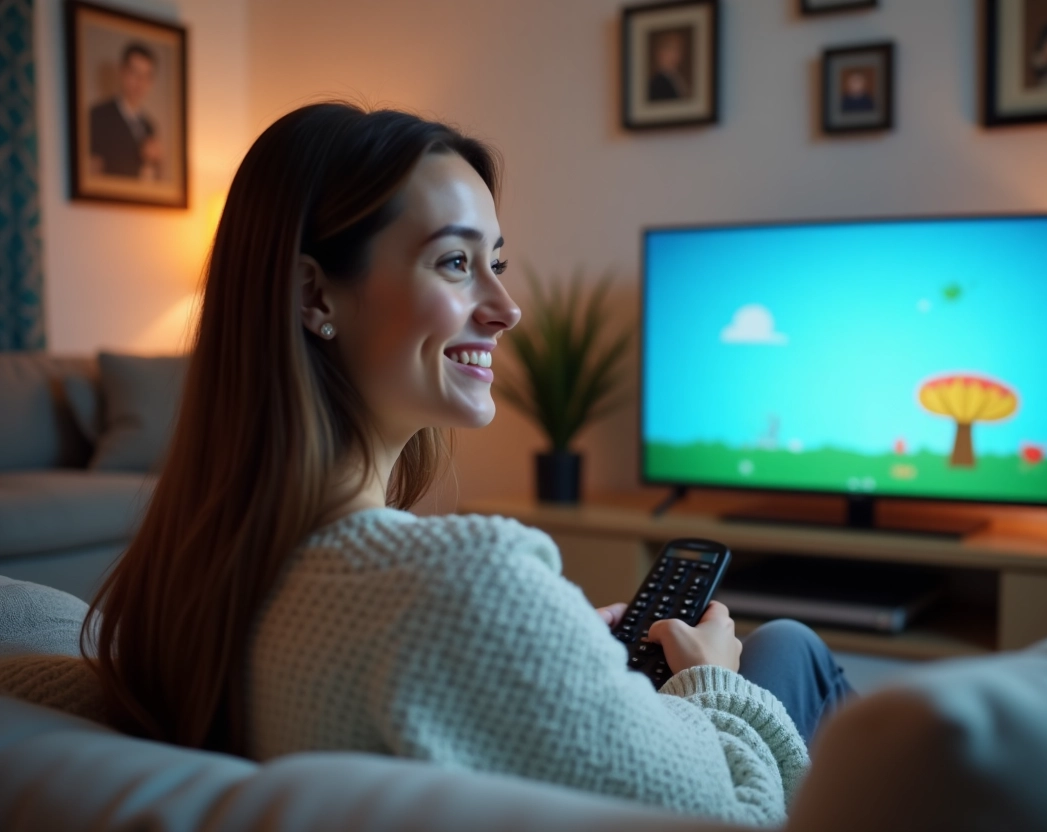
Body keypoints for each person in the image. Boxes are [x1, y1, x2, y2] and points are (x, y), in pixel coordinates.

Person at [81, 103, 853, 827]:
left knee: (777, 645)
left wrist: (554, 653)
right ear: (315, 295)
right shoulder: (467, 583)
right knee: (786, 648)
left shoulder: (187, 577)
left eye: (498, 262)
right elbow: (734, 816)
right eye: (455, 262)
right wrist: (710, 679)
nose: (506, 307)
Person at [88, 42, 164, 179]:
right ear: (122, 72)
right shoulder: (98, 116)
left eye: (146, 76)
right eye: (135, 73)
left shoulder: (149, 126)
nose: (140, 82)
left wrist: (157, 161)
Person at [648, 29, 691, 101]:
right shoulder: (657, 82)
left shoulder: (679, 78)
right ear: (660, 53)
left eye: (678, 50)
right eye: (670, 49)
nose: (675, 55)